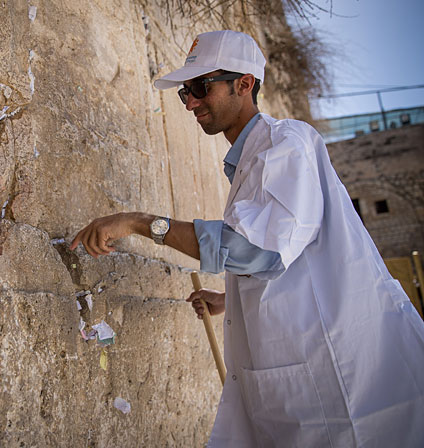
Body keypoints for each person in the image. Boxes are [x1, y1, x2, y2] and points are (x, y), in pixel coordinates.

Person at [70, 30, 424, 447]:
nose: (191, 102)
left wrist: (138, 223)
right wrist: (232, 297)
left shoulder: (285, 144)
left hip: (342, 388)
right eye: (186, 92)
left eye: (201, 87)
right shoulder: (257, 157)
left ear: (245, 84)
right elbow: (291, 255)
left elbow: (256, 250)